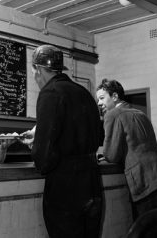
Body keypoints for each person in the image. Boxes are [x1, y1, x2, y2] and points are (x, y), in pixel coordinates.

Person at [21, 45, 103, 238]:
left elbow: (44, 155)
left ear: (38, 70)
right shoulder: (84, 93)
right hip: (92, 182)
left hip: (66, 187)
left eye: (34, 72)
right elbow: (96, 136)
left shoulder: (50, 93)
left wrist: (38, 149)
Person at [96, 79, 157, 235]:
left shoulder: (113, 115)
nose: (99, 103)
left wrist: (103, 156)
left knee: (147, 232)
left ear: (114, 96)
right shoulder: (140, 113)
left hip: (144, 183)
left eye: (101, 98)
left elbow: (111, 154)